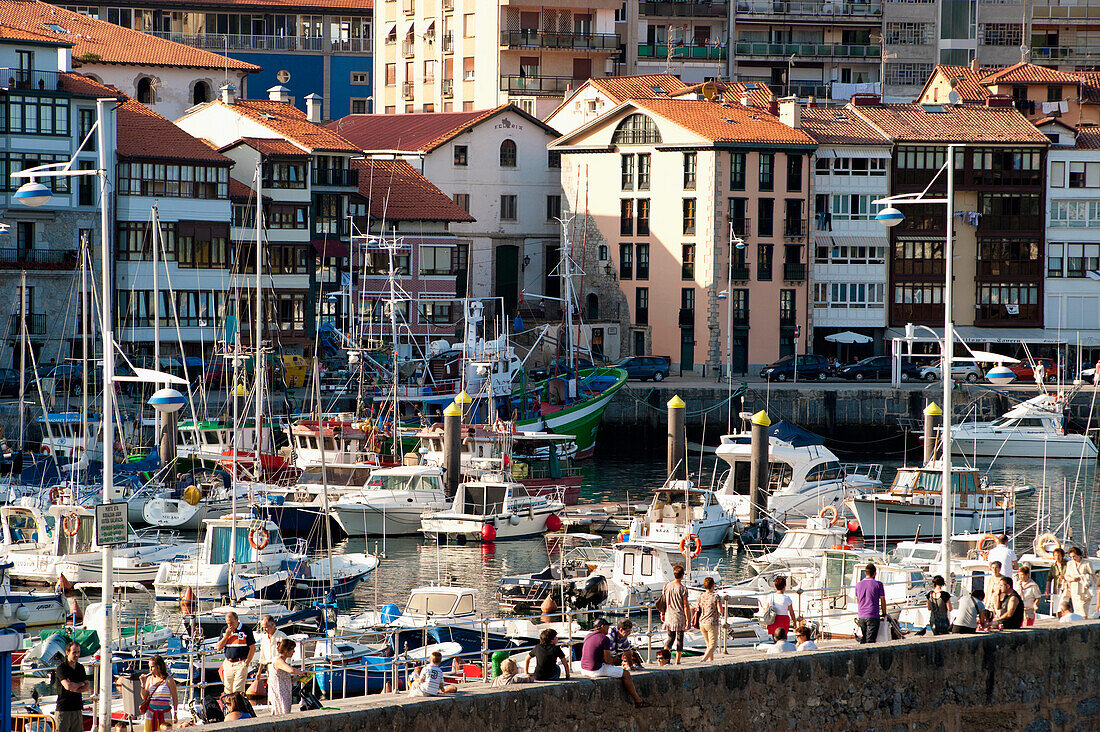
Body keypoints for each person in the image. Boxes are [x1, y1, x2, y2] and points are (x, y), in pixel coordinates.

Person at [578, 618, 648, 708]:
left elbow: (626, 651)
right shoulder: (605, 639)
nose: (608, 628)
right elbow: (608, 660)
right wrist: (614, 665)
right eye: (607, 626)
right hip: (595, 670)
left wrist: (629, 665)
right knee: (626, 674)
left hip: (584, 669)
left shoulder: (588, 635)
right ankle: (638, 700)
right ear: (602, 627)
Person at [216, 611, 256, 695]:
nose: (230, 626)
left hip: (240, 662)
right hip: (228, 663)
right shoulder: (225, 630)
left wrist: (246, 663)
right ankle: (229, 707)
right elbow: (219, 647)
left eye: (232, 623)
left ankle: (237, 706)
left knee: (237, 689)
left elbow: (252, 648)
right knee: (227, 689)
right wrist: (226, 636)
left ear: (237, 620)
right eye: (228, 623)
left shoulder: (246, 630)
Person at [55, 641, 88, 732]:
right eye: (74, 652)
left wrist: (74, 686)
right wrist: (80, 684)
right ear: (67, 652)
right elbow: (68, 686)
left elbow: (87, 687)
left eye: (78, 652)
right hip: (64, 709)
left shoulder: (80, 668)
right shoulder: (61, 668)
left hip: (77, 708)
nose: (77, 655)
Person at [660, 564, 689, 664]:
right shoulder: (683, 589)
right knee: (679, 639)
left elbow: (663, 601)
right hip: (679, 616)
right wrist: (688, 619)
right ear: (682, 575)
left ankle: (664, 657)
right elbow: (685, 605)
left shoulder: (666, 586)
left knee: (670, 638)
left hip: (669, 615)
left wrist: (662, 613)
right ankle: (678, 660)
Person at [251, 615, 287, 696]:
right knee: (272, 693)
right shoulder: (264, 639)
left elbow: (287, 653)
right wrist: (259, 672)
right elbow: (262, 657)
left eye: (266, 627)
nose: (265, 629)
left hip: (280, 667)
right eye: (263, 627)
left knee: (281, 692)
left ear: (273, 624)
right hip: (269, 668)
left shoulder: (282, 637)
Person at [141, 655, 178, 729]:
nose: (150, 669)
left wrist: (175, 713)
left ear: (159, 666)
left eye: (152, 667)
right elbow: (144, 697)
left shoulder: (169, 680)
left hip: (165, 713)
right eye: (149, 667)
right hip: (151, 713)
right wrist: (143, 684)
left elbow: (175, 698)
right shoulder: (149, 679)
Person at [855, 563, 887, 643]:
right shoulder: (878, 584)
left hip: (861, 615)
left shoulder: (858, 585)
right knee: (871, 640)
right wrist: (884, 613)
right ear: (874, 573)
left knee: (864, 637)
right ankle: (868, 655)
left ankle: (862, 652)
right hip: (873, 615)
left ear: (865, 573)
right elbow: (882, 600)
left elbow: (857, 600)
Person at [695, 576, 724, 662]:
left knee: (708, 645)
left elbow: (697, 607)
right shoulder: (715, 596)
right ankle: (703, 660)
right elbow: (720, 610)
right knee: (713, 645)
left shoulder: (701, 596)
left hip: (702, 622)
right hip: (712, 622)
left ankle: (711, 661)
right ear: (713, 585)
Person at [269, 639, 300, 715]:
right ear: (287, 650)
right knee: (282, 714)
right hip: (279, 693)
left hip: (285, 693)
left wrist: (300, 677)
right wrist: (302, 671)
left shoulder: (283, 662)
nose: (294, 652)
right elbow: (291, 670)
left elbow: (290, 681)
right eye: (292, 649)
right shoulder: (278, 661)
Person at [1063, 546, 1093, 615]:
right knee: (1076, 609)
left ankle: (1084, 621)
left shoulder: (1087, 563)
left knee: (1083, 610)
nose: (1073, 558)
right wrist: (1073, 579)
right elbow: (1066, 576)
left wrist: (1082, 577)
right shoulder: (1069, 564)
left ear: (1079, 555)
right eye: (1071, 557)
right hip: (1074, 589)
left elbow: (1092, 576)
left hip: (1085, 590)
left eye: (1074, 556)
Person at [1048, 547, 1067, 611]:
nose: (1057, 557)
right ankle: (1058, 617)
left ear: (1062, 555)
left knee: (1064, 603)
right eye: (1055, 555)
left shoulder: (1067, 564)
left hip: (1066, 587)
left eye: (1059, 555)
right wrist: (1047, 589)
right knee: (1056, 605)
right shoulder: (1053, 566)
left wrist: (1064, 577)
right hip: (1057, 588)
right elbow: (1049, 578)